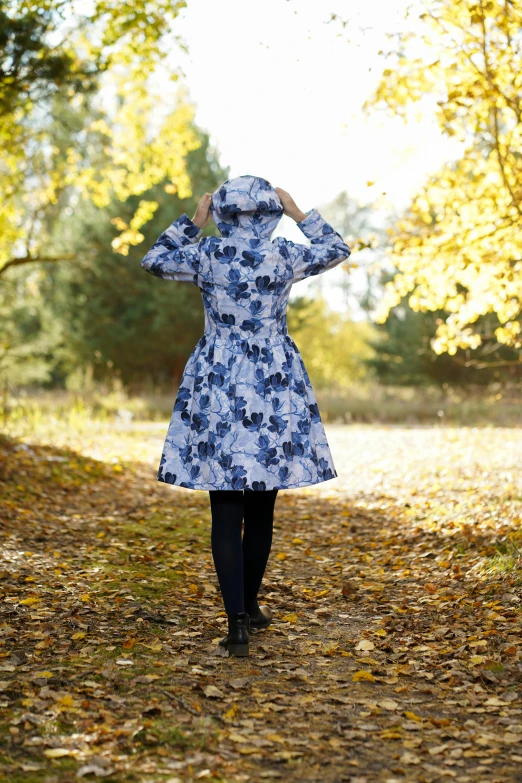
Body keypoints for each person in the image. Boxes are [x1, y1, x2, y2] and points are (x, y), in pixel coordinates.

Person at [140, 175, 352, 656]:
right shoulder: (283, 254)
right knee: (261, 509)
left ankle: (237, 621)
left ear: (222, 212)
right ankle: (250, 606)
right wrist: (299, 213)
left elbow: (153, 260)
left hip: (217, 381)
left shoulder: (207, 254)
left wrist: (192, 223)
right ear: (269, 212)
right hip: (273, 382)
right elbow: (336, 248)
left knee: (224, 511)